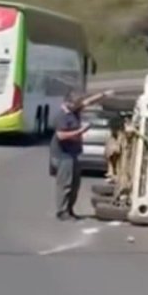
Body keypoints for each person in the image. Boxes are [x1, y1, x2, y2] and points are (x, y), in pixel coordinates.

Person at [51, 88, 113, 220]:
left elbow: (88, 102)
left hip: (74, 153)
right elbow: (61, 136)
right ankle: (62, 211)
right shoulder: (62, 116)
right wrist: (81, 131)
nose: (80, 105)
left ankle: (70, 209)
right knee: (65, 184)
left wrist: (103, 95)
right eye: (77, 103)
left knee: (75, 184)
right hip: (64, 155)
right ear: (68, 103)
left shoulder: (75, 110)